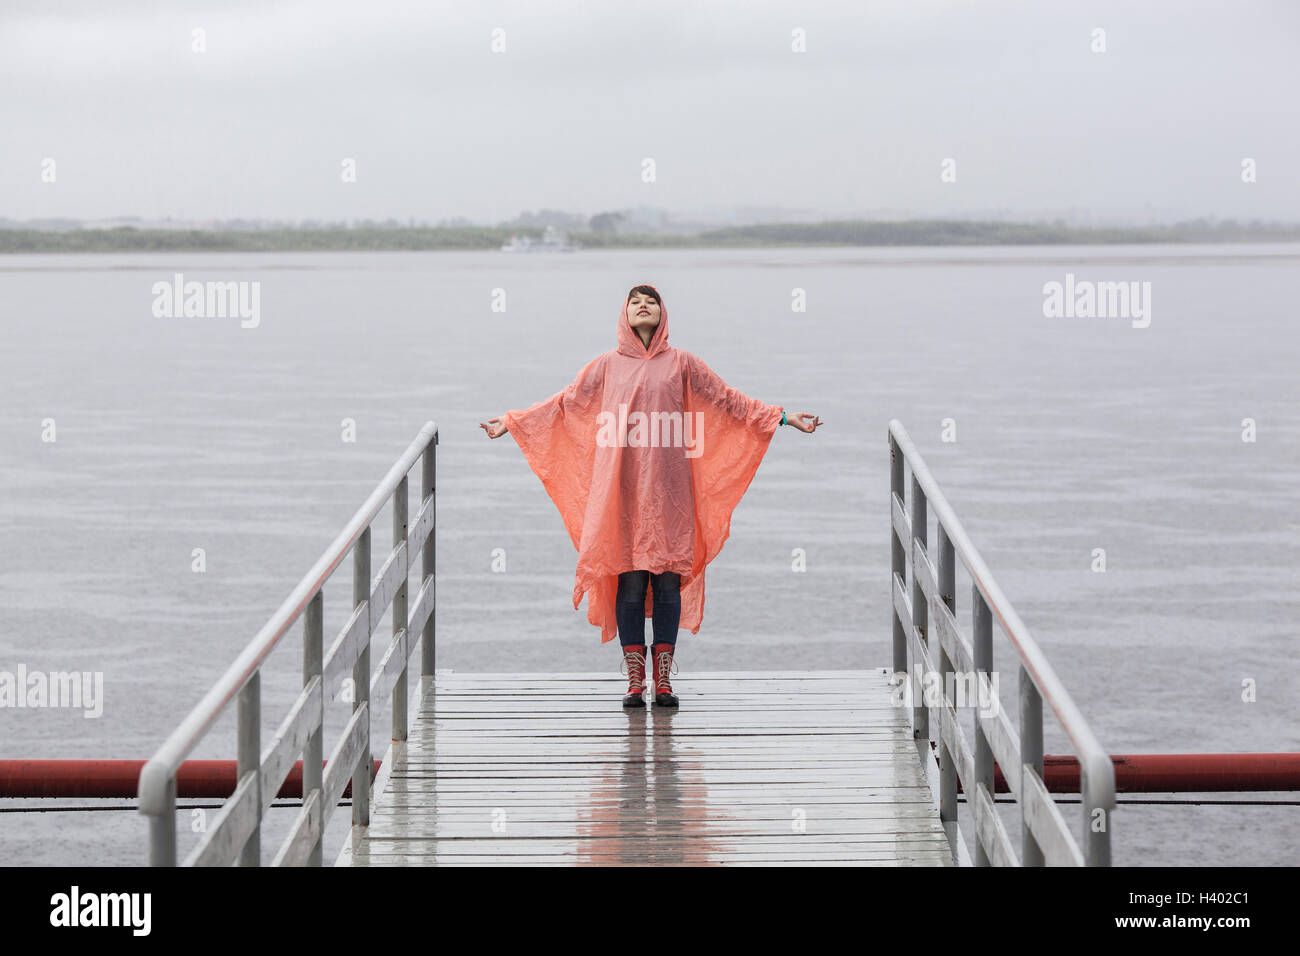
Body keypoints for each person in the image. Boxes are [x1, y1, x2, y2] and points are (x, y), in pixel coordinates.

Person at [481, 285, 821, 708]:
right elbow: (566, 404)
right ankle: (634, 679)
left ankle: (663, 679)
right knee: (629, 579)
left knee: (667, 581)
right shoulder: (606, 366)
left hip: (671, 489)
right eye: (635, 301)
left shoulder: (683, 364)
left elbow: (728, 401)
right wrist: (514, 421)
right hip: (621, 490)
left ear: (663, 313)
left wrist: (784, 417)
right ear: (624, 314)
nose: (644, 306)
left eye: (652, 301)